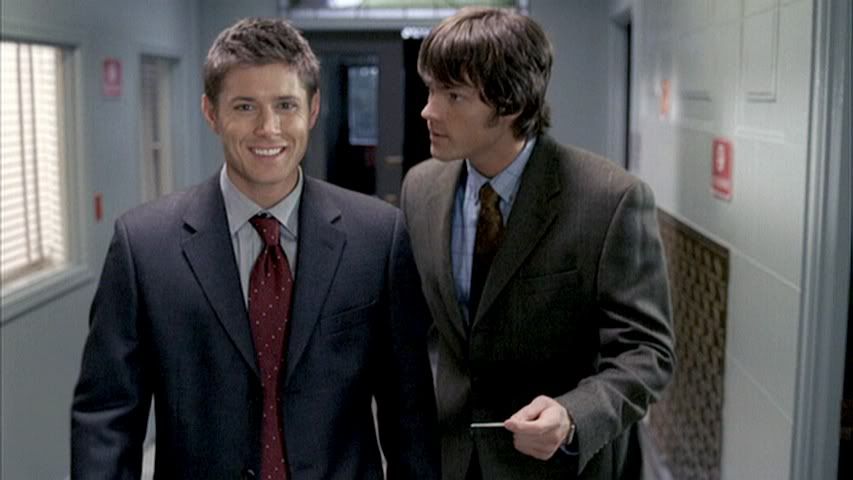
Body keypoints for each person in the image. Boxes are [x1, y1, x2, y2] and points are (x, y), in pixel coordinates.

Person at [72, 17, 439, 479]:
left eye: (286, 105)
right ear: (210, 112)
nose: (269, 128)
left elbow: (410, 416)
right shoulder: (143, 247)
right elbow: (106, 420)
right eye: (245, 106)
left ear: (313, 109)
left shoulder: (378, 238)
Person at [400, 7, 675, 480]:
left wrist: (573, 416)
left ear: (509, 105)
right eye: (431, 90)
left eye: (453, 95)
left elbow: (647, 351)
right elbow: (415, 329)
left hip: (557, 466)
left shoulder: (609, 199)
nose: (429, 110)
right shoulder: (420, 188)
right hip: (450, 458)